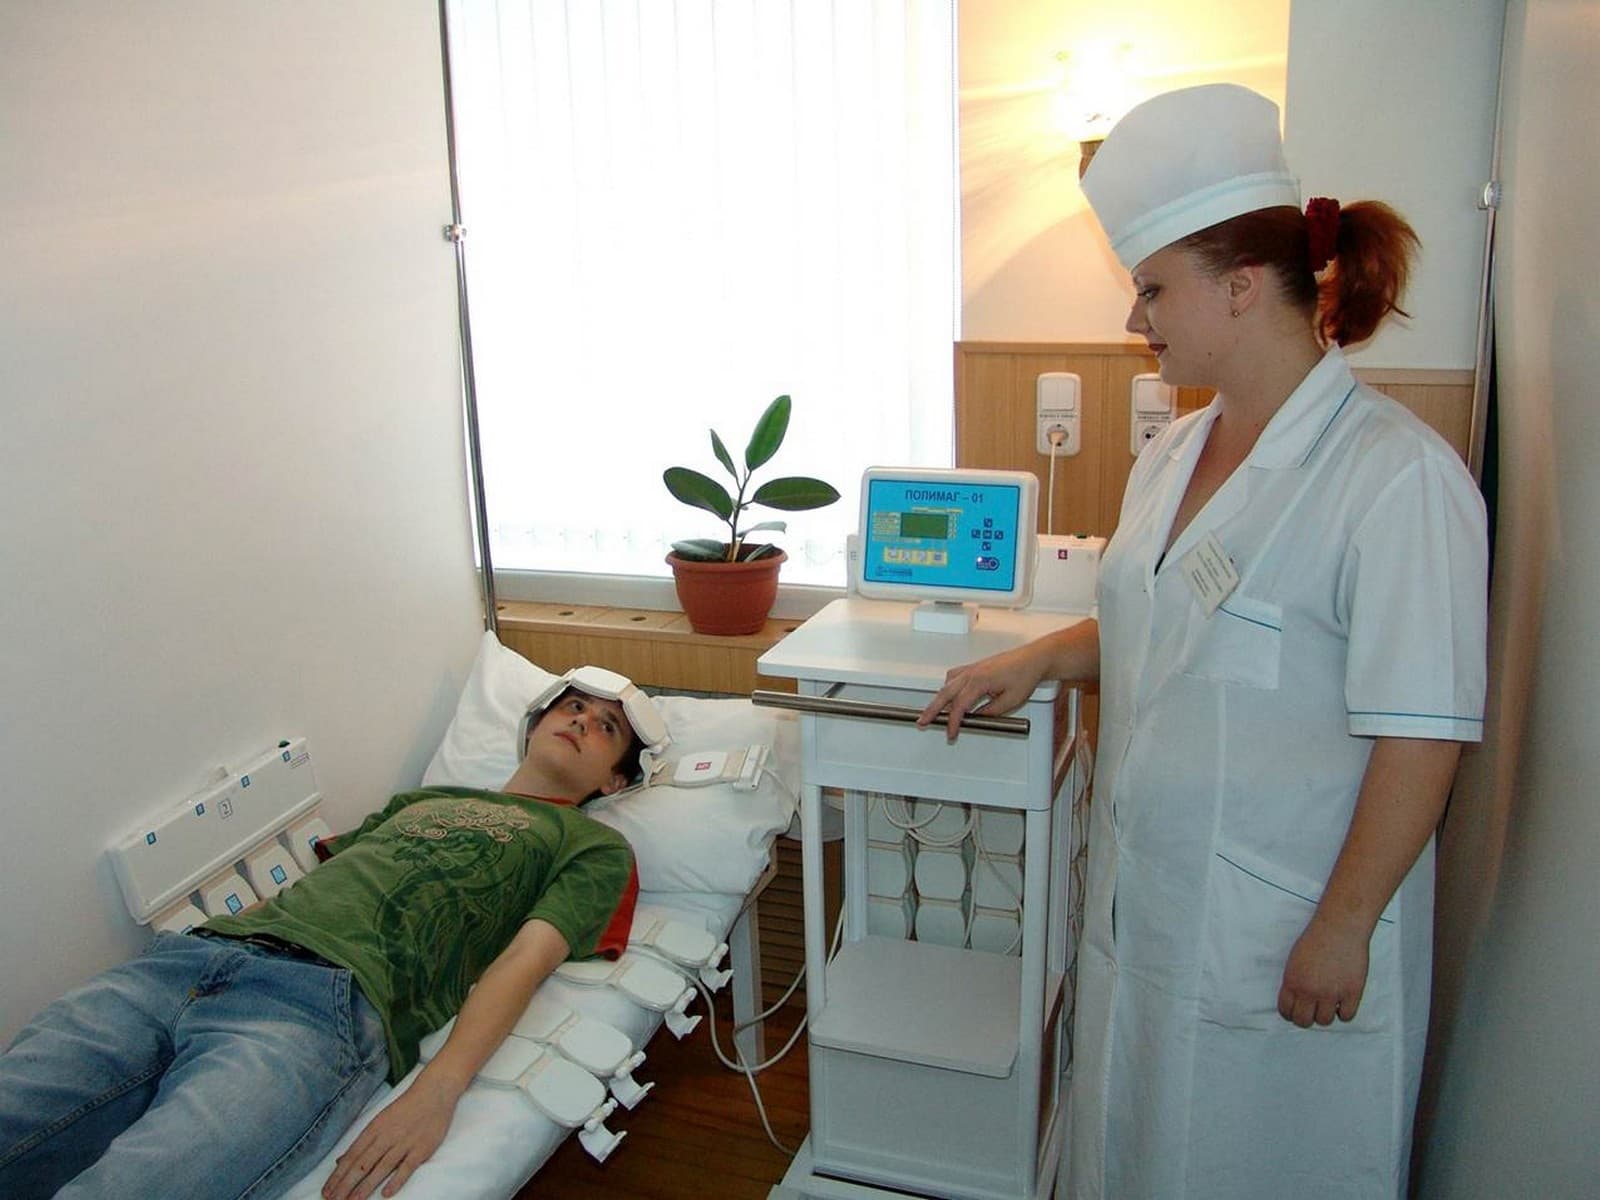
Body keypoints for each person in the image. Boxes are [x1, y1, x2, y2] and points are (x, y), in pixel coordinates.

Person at [919, 84, 1487, 1199]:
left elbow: (1423, 733)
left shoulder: (1396, 481)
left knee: (1247, 1163)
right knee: (1130, 1145)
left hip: (1273, 933)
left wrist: (1343, 925)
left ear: (1240, 285)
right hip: (1146, 905)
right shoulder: (1174, 453)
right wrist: (1034, 658)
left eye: (1150, 287)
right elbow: (1162, 625)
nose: (1137, 319)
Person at [0, 667, 665, 1200]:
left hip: (321, 1011)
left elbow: (526, 958)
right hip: (188, 959)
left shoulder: (591, 846)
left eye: (605, 726)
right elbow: (324, 882)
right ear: (535, 725)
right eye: (572, 707)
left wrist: (438, 1090)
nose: (582, 720)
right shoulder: (420, 802)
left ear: (615, 778)